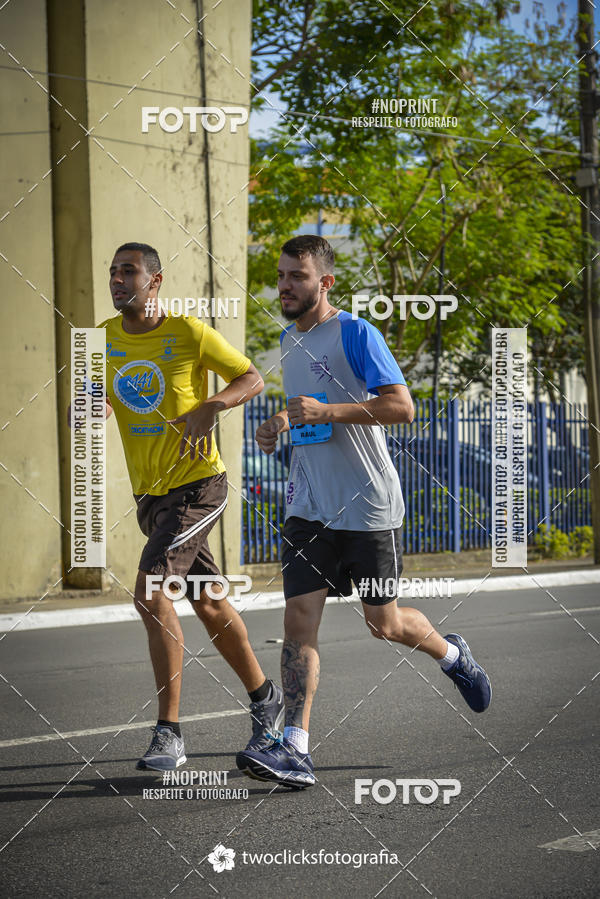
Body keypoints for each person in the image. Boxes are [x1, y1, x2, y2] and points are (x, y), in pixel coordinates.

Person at [236, 235, 491, 789]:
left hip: (368, 507)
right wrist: (281, 423)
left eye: (297, 276)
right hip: (309, 508)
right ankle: (295, 747)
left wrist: (326, 410)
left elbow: (401, 406)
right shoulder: (288, 340)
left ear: (325, 282)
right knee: (298, 621)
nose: (284, 285)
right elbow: (310, 413)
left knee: (384, 624)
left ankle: (453, 655)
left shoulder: (356, 332)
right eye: (280, 275)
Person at [91, 242, 283, 770]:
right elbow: (97, 394)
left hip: (198, 486)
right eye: (113, 271)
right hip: (150, 495)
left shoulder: (188, 331)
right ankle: (266, 697)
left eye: (128, 271)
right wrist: (88, 406)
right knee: (209, 602)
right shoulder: (101, 339)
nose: (117, 279)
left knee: (151, 591)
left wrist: (212, 405)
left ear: (154, 281)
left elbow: (250, 376)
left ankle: (168, 732)